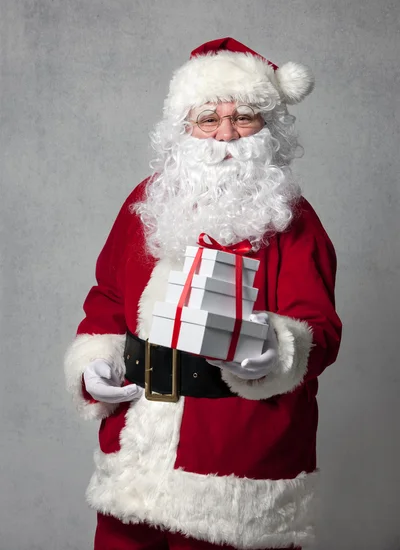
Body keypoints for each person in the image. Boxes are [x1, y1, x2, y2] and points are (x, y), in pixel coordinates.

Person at [64, 37, 342, 550]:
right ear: (183, 128)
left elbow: (319, 328)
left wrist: (277, 351)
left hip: (235, 456)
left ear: (269, 129)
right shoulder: (147, 201)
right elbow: (107, 295)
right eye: (208, 119)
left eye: (245, 118)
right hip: (136, 453)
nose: (226, 135)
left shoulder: (293, 220)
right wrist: (93, 362)